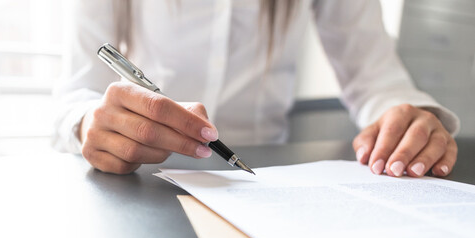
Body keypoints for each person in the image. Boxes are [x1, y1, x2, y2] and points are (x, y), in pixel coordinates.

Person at [52, 0, 460, 177]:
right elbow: (73, 98)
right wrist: (91, 122)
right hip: (140, 176)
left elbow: (374, 76)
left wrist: (405, 119)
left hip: (266, 181)